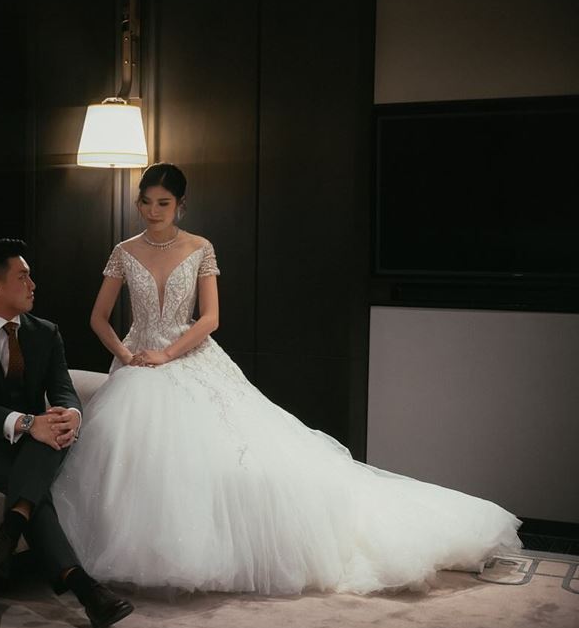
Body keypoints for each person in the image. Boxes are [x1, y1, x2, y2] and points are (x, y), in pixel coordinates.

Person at [51, 163, 522, 594]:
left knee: (238, 451)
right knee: (127, 446)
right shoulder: (124, 251)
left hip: (187, 354)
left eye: (163, 203)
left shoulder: (199, 248)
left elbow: (211, 318)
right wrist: (127, 356)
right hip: (138, 361)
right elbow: (98, 318)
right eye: (146, 202)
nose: (153, 211)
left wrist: (167, 353)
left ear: (180, 205)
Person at [0, 238, 134, 628]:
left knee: (57, 432)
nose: (33, 285)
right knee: (38, 473)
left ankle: (11, 532)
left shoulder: (45, 333)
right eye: (23, 277)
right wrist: (30, 423)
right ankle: (85, 589)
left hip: (32, 447)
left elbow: (63, 389)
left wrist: (72, 414)